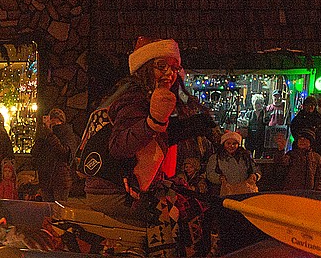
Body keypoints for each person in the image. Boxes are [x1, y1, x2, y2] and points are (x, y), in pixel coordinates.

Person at [79, 37, 215, 222]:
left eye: (174, 68)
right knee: (185, 218)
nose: (170, 73)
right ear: (145, 67)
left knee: (191, 204)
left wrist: (195, 125)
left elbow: (152, 138)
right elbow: (119, 146)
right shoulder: (134, 97)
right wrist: (153, 122)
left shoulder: (146, 97)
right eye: (161, 66)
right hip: (115, 193)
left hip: (127, 189)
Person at [30, 106, 79, 201]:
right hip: (45, 179)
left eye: (57, 122)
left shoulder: (67, 134)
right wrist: (42, 135)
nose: (55, 125)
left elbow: (64, 153)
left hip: (60, 180)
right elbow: (35, 152)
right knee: (47, 210)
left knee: (59, 210)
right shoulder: (46, 135)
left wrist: (51, 135)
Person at [206, 130, 260, 196]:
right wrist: (219, 178)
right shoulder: (216, 157)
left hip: (245, 191)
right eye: (228, 143)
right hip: (225, 192)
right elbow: (210, 174)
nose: (231, 146)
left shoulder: (246, 156)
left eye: (234, 143)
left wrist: (255, 176)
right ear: (223, 143)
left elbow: (256, 169)